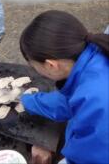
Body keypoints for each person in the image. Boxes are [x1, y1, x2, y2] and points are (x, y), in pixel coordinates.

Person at [19, 10, 109, 164]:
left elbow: (89, 157)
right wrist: (27, 101)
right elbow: (67, 101)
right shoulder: (92, 54)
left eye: (34, 66)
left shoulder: (97, 101)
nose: (35, 71)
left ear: (51, 65)